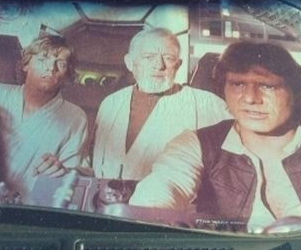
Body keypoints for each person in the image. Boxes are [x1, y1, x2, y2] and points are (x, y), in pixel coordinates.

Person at [130, 40, 301, 233]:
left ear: (296, 92)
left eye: (266, 85)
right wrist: (151, 216)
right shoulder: (196, 145)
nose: (250, 98)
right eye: (238, 84)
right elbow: (160, 191)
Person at [91, 27, 228, 180]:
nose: (159, 65)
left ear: (178, 65)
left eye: (168, 58)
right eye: (148, 57)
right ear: (130, 63)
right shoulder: (111, 104)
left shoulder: (207, 105)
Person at [0, 34, 88, 202]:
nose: (51, 68)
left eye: (61, 63)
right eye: (43, 59)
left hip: (28, 206)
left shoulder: (75, 117)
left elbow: (73, 174)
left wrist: (61, 170)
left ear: (67, 74)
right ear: (26, 65)